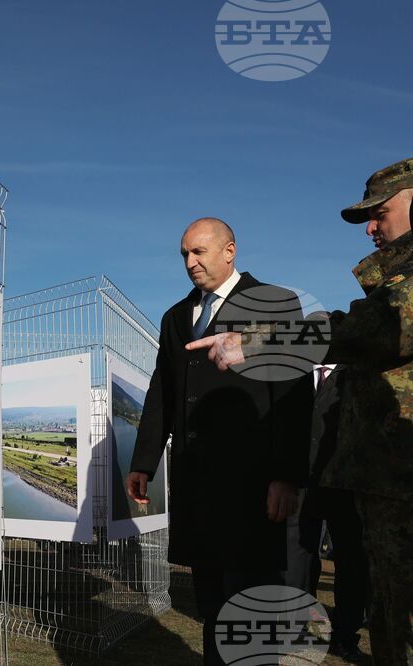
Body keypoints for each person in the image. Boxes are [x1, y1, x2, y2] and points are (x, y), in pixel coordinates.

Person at [189, 159, 413, 664]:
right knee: (390, 618)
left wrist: (263, 340)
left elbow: (379, 327)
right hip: (387, 482)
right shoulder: (394, 281)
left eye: (380, 213)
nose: (373, 229)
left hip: (403, 481)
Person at [126, 217, 312, 665]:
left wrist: (286, 475)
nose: (190, 262)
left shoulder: (274, 304)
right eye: (184, 255)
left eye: (199, 252)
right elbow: (164, 393)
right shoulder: (176, 317)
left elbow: (292, 394)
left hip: (253, 488)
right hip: (198, 487)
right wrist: (144, 461)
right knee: (211, 606)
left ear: (229, 251)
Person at [302, 362, 369, 663]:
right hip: (301, 483)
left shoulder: (356, 374)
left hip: (346, 486)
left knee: (351, 565)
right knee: (302, 562)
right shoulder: (296, 372)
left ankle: (345, 636)